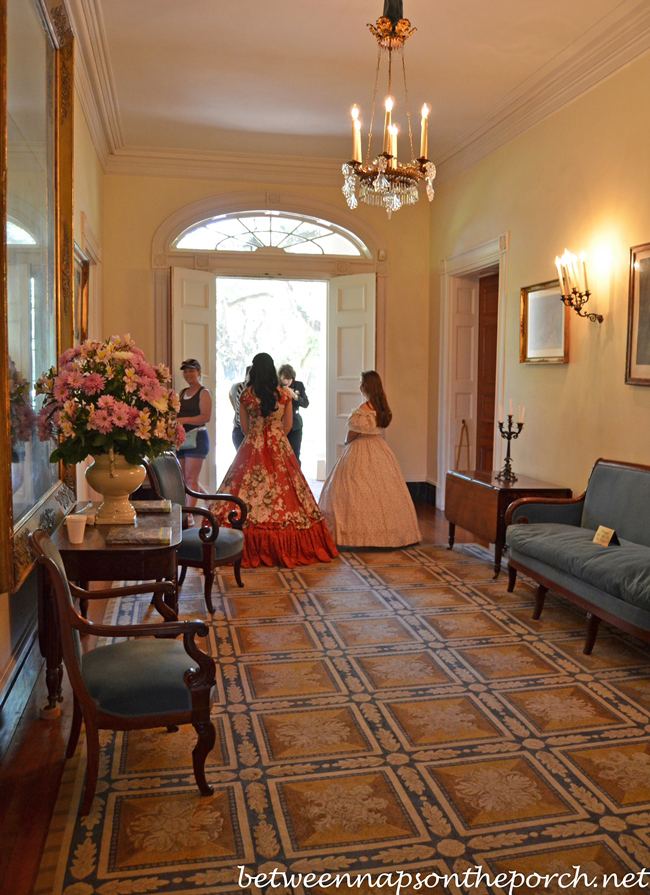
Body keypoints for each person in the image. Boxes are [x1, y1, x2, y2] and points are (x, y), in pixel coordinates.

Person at [209, 352, 338, 568]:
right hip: (279, 445)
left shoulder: (246, 395)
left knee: (245, 488)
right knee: (287, 492)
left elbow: (244, 427)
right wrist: (275, 437)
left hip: (252, 445)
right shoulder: (284, 394)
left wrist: (258, 436)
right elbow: (287, 427)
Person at [318, 370, 421, 548]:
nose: (359, 386)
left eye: (361, 383)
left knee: (353, 487)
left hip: (360, 448)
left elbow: (352, 434)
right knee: (384, 490)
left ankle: (354, 535)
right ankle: (391, 534)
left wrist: (346, 442)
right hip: (379, 447)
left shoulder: (363, 410)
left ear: (366, 387)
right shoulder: (382, 409)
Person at [175, 358, 212, 526]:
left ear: (198, 372)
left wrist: (183, 420)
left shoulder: (204, 393)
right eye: (185, 371)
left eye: (191, 371)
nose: (188, 374)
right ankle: (207, 498)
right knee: (184, 478)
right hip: (181, 439)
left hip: (197, 439)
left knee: (190, 478)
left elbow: (205, 417)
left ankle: (188, 514)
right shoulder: (182, 392)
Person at [278, 363, 309, 466]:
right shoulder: (277, 387)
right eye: (283, 379)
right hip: (280, 424)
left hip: (295, 424)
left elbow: (305, 403)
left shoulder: (298, 385)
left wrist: (294, 396)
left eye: (289, 379)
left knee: (295, 453)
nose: (286, 382)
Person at [229, 365, 251, 450]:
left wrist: (236, 408)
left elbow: (230, 395)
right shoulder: (239, 388)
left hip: (239, 428)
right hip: (241, 428)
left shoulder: (236, 387)